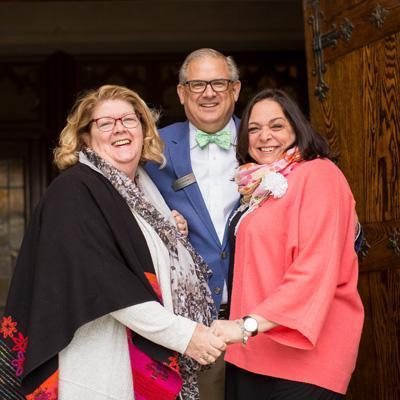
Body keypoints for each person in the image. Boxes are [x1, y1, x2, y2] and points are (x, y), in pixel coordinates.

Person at [0, 85, 227, 400]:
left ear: (144, 129)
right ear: (84, 138)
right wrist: (185, 335)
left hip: (140, 360)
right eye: (105, 123)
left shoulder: (143, 193)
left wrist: (169, 239)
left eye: (129, 120)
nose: (119, 128)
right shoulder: (73, 191)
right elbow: (106, 280)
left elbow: (139, 260)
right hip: (99, 367)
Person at [211, 88, 364, 399]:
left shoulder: (320, 174)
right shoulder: (259, 185)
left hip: (305, 358)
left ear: (297, 128)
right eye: (253, 129)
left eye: (276, 126)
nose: (264, 136)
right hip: (251, 353)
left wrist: (245, 325)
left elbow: (315, 268)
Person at [145, 48, 241, 399]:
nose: (209, 92)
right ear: (182, 93)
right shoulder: (152, 148)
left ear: (235, 89)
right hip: (194, 322)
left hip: (260, 314)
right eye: (197, 84)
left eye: (218, 82)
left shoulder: (263, 139)